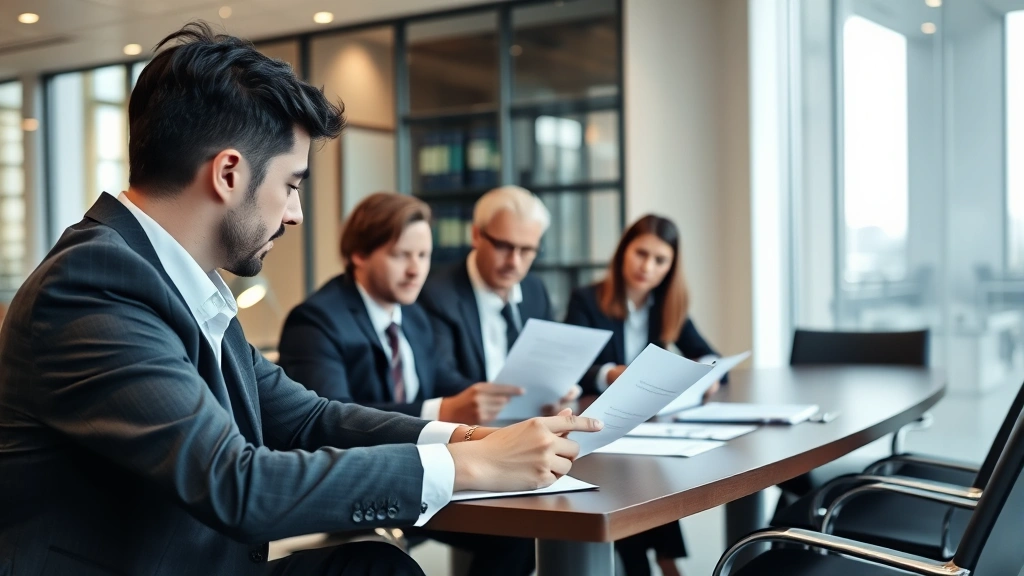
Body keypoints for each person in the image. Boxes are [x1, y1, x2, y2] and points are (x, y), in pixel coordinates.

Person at [0, 23, 602, 576]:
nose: (295, 214)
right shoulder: (93, 284)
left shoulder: (180, 281)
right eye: (290, 184)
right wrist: (472, 467)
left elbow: (307, 418)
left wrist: (472, 440)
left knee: (378, 568)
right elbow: (235, 484)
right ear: (229, 173)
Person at [278, 191, 544, 576]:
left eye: (423, 256)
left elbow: (443, 380)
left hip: (424, 476)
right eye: (402, 255)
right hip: (361, 485)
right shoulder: (317, 321)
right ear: (359, 254)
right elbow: (327, 420)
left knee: (521, 532)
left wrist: (498, 397)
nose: (416, 270)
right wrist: (438, 411)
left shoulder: (413, 316)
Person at [564, 214, 722, 576]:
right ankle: (662, 566)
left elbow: (706, 352)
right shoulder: (586, 299)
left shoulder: (666, 304)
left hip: (645, 422)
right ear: (623, 252)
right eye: (641, 254)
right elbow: (573, 367)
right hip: (599, 422)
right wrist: (609, 374)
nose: (647, 267)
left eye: (660, 260)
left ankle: (657, 566)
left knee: (651, 473)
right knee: (637, 476)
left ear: (670, 266)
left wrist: (707, 373)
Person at [419, 186, 561, 392]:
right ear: (476, 235)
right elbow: (442, 378)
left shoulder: (534, 289)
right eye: (503, 246)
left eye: (527, 250)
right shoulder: (438, 294)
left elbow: (551, 360)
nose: (514, 262)